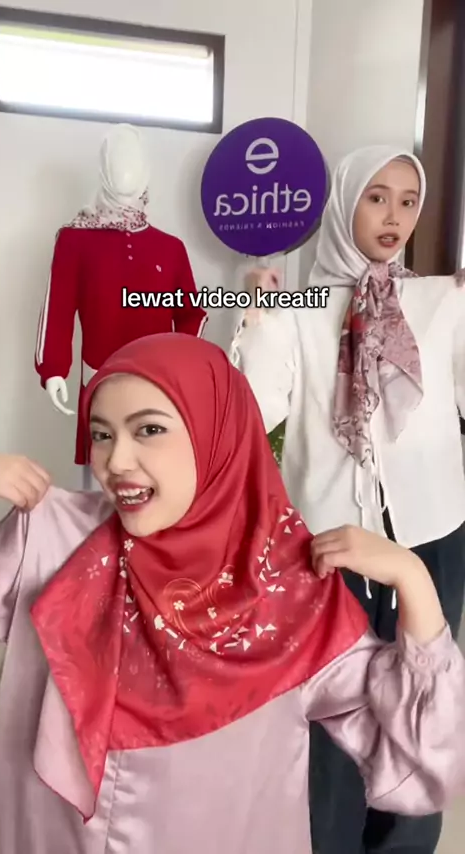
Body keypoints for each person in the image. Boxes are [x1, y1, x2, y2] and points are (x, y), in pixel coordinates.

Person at [0, 333, 465, 854]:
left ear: (214, 431)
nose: (116, 460)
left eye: (149, 429)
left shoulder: (291, 592)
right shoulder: (51, 536)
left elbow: (426, 765)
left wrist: (414, 581)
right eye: (101, 434)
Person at [229, 145, 465, 854]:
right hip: (331, 545)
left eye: (408, 201)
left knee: (420, 701)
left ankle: (405, 842)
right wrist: (256, 312)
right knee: (333, 709)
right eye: (376, 197)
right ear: (343, 203)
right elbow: (250, 409)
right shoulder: (298, 308)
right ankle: (327, 840)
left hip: (431, 536)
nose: (394, 217)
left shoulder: (440, 302)